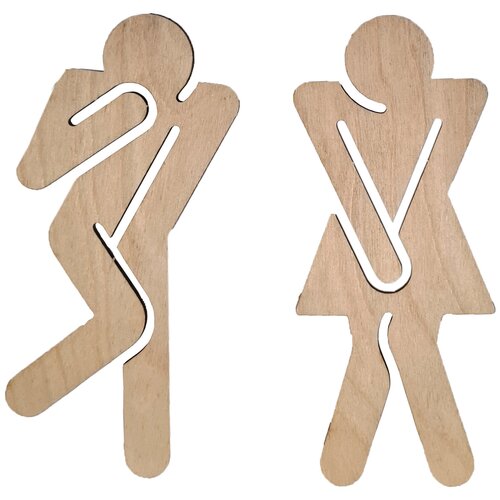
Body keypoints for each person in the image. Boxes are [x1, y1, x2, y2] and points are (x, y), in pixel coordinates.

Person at [6, 14, 239, 478]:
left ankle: (47, 396)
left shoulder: (209, 104)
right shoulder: (98, 93)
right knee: (131, 320)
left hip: (140, 238)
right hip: (84, 230)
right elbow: (34, 173)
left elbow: (34, 174)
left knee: (137, 321)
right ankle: (37, 389)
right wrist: (112, 107)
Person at [294, 15, 493, 486]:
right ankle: (428, 458)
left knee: (401, 339)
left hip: (419, 245)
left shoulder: (446, 105)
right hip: (375, 248)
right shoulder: (335, 109)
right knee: (383, 339)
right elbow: (313, 102)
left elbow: (468, 95)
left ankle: (421, 458)